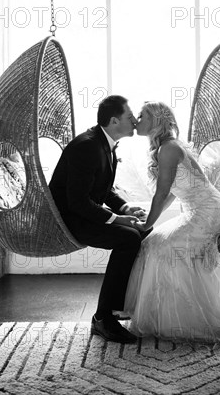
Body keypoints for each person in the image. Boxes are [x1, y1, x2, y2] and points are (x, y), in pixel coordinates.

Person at [125, 101, 220, 346]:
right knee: (153, 244)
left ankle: (194, 319)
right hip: (196, 210)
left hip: (209, 210)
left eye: (142, 116)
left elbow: (162, 193)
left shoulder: (170, 148)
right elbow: (172, 192)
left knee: (167, 249)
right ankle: (169, 317)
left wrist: (146, 223)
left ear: (156, 122)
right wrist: (149, 223)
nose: (136, 119)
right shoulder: (164, 147)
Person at [49, 95, 147, 344]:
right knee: (127, 238)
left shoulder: (104, 142)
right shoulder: (87, 146)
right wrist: (117, 219)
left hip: (84, 213)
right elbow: (77, 202)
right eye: (129, 116)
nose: (135, 120)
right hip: (69, 220)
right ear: (114, 121)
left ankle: (118, 308)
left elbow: (103, 188)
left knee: (142, 232)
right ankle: (103, 319)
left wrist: (125, 207)